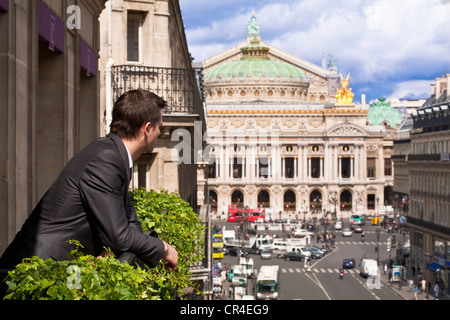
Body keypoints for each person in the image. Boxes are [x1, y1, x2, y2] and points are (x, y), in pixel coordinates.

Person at [0, 90, 178, 272]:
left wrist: (149, 253)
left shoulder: (114, 154)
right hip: (36, 269)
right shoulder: (107, 159)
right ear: (147, 129)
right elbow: (119, 235)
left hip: (56, 269)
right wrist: (163, 248)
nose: (159, 133)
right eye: (159, 127)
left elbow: (129, 222)